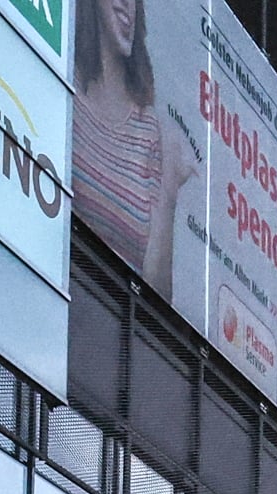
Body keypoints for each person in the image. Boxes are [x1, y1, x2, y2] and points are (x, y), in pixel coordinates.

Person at [73, 0, 194, 298]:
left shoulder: (151, 132)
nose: (127, 5)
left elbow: (156, 302)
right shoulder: (64, 81)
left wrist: (169, 194)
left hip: (111, 326)